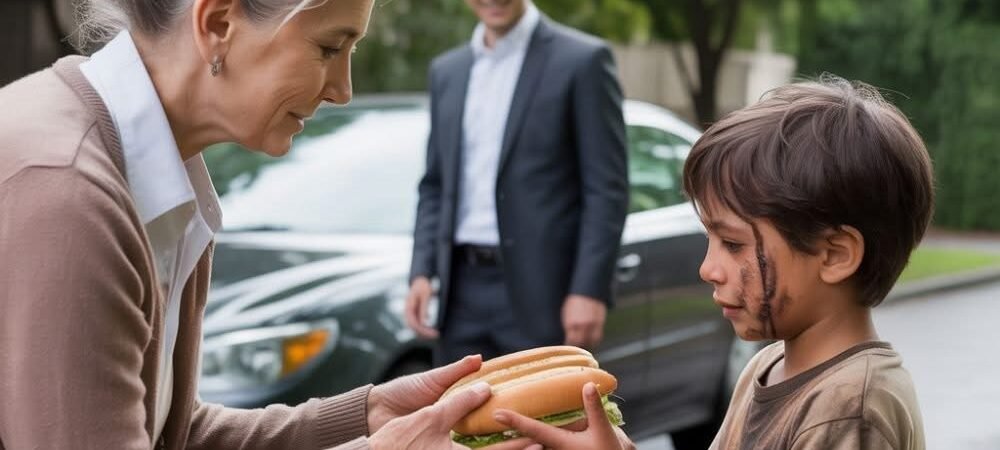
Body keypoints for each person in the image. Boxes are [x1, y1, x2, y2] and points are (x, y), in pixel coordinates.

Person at [0, 1, 537, 449]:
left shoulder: (152, 174)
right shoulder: (67, 192)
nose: (342, 89)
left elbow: (171, 433)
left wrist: (365, 417)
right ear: (217, 25)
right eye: (329, 48)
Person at [495, 77, 931, 449]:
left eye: (733, 244)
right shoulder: (768, 365)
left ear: (834, 255)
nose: (708, 269)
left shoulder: (849, 408)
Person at [404, 0, 629, 365]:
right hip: (459, 293)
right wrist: (421, 271)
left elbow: (606, 190)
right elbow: (434, 184)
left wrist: (589, 290)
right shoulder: (447, 71)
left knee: (539, 420)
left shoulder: (583, 61)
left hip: (544, 295)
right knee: (460, 419)